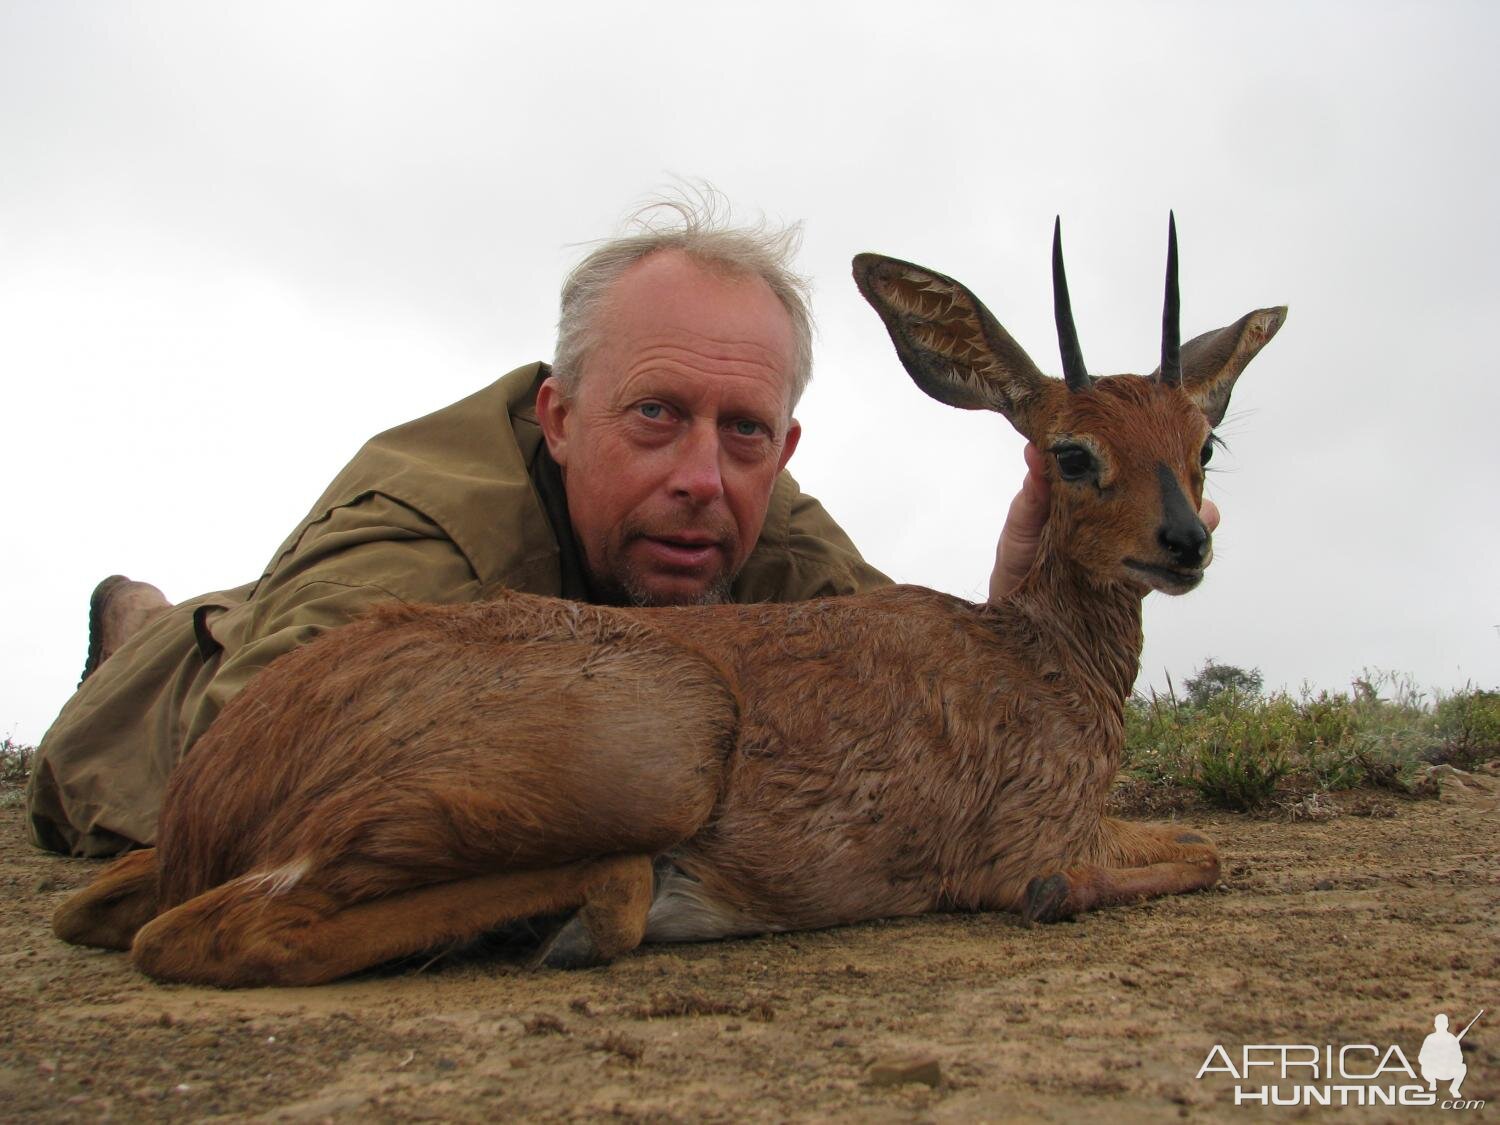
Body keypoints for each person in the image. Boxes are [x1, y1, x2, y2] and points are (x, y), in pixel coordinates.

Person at [23, 197, 1192, 857]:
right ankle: (150, 628)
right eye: (654, 415)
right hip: (208, 699)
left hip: (550, 658)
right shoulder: (428, 533)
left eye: (744, 431)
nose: (702, 475)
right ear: (561, 417)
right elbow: (255, 777)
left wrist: (1024, 607)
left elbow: (894, 705)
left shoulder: (756, 514)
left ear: (784, 447)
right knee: (207, 733)